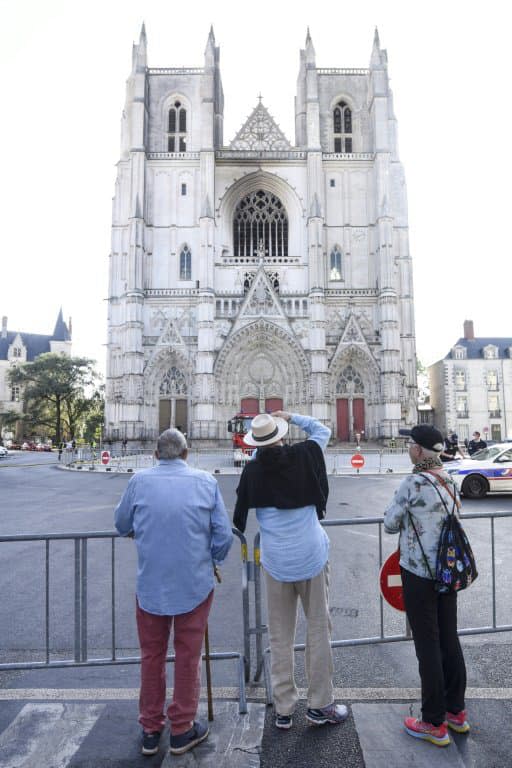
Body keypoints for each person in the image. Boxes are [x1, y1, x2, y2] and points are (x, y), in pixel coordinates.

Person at [114, 428, 233, 756]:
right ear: (186, 453)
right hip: (193, 584)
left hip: (150, 585)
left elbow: (121, 524)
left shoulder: (139, 481)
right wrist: (212, 560)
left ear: (155, 455)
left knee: (151, 657)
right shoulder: (206, 482)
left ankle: (151, 730)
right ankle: (181, 729)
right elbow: (224, 536)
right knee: (188, 656)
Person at [233, 411, 348, 730]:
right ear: (281, 436)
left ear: (256, 444)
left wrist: (262, 439)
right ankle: (320, 704)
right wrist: (289, 417)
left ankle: (283, 710)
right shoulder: (304, 455)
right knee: (318, 630)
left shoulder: (254, 471)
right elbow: (323, 428)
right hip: (311, 557)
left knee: (280, 636)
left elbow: (261, 459)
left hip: (276, 562)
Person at [384, 424, 469, 748]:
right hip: (448, 571)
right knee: (449, 637)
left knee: (427, 644)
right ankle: (455, 712)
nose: (407, 448)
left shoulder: (414, 482)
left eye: (409, 444)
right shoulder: (448, 478)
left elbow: (391, 523)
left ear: (419, 450)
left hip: (419, 574)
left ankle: (433, 721)